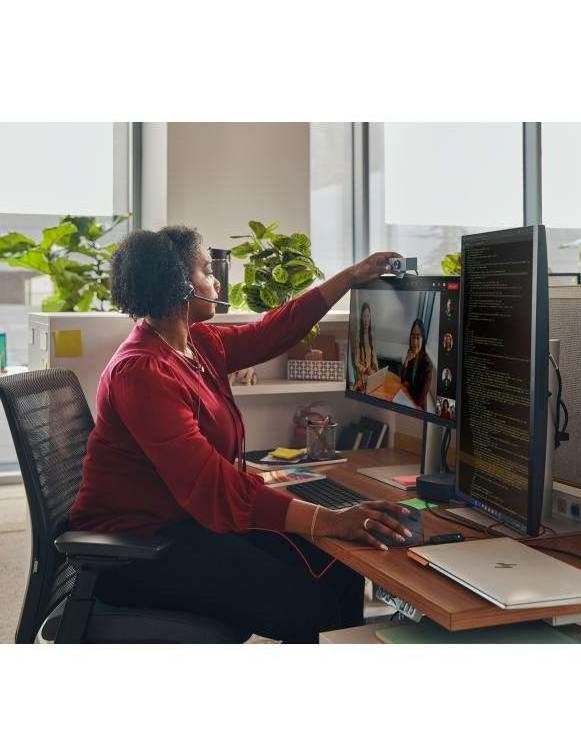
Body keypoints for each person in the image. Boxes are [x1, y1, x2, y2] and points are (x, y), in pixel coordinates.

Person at [68, 227, 414, 642]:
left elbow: (273, 331)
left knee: (337, 567)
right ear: (180, 285)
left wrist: (350, 277)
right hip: (138, 550)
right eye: (205, 270)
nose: (216, 281)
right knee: (315, 601)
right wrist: (329, 519)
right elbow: (214, 487)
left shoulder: (196, 343)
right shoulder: (142, 371)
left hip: (185, 522)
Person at [399, 317, 435, 410]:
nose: (415, 342)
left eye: (418, 337)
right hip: (407, 399)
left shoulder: (428, 365)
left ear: (423, 339)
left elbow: (419, 399)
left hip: (419, 408)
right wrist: (406, 361)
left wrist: (409, 386)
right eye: (413, 337)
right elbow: (402, 380)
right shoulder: (411, 354)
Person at [351, 301, 378, 389]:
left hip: (371, 374)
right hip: (362, 375)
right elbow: (356, 362)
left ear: (370, 317)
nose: (366, 319)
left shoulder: (372, 335)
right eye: (364, 316)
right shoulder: (358, 337)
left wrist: (376, 369)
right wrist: (366, 370)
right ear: (361, 318)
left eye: (368, 316)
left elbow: (374, 357)